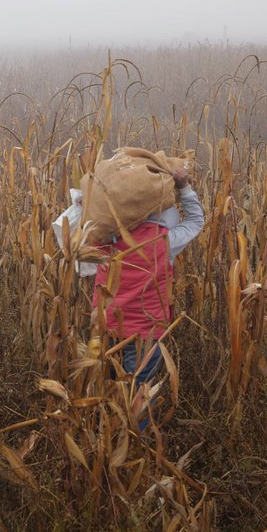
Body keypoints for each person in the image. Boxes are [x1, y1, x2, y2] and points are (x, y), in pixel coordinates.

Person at [92, 166, 204, 429]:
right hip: (146, 332)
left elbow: (76, 231)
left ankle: (102, 439)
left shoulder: (104, 240)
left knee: (105, 389)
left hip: (106, 327)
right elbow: (196, 221)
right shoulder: (163, 241)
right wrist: (184, 186)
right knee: (139, 392)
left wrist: (88, 203)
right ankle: (136, 444)